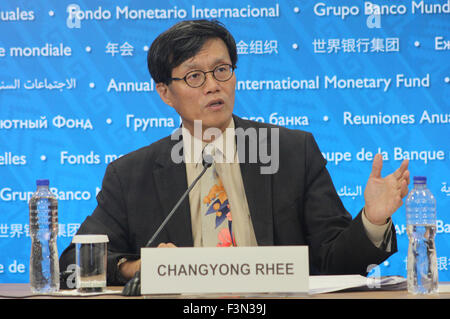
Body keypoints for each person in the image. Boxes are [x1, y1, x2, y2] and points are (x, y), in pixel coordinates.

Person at [59, 19, 410, 287]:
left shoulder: (291, 152)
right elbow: (73, 264)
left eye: (221, 70)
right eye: (194, 76)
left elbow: (336, 263)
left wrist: (373, 221)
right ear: (166, 93)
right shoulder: (131, 174)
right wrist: (137, 268)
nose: (213, 85)